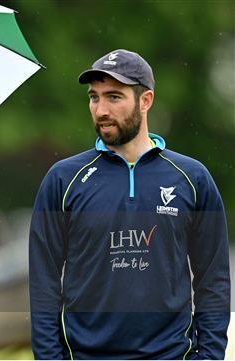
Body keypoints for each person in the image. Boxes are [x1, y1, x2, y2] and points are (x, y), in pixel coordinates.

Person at [29, 49, 230, 360]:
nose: (101, 110)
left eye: (114, 97)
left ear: (145, 100)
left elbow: (214, 279)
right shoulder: (62, 180)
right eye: (94, 97)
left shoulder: (192, 178)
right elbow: (43, 281)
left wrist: (210, 356)